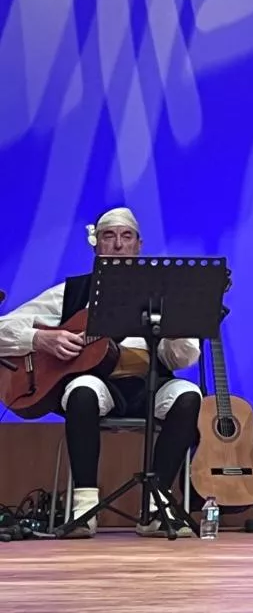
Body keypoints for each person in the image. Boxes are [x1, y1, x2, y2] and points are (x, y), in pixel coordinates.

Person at [0, 208, 201, 537]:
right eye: (109, 236)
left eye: (127, 237)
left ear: (139, 245)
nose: (119, 245)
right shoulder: (72, 293)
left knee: (189, 395)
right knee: (82, 390)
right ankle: (84, 506)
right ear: (96, 246)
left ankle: (156, 505)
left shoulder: (161, 292)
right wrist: (41, 338)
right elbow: (3, 328)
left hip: (150, 383)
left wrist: (176, 326)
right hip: (100, 384)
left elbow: (181, 358)